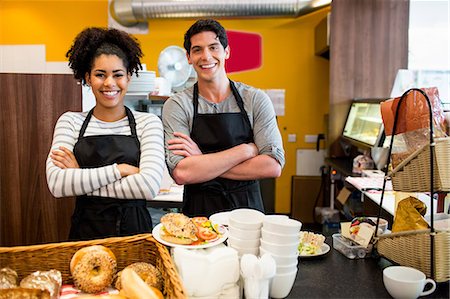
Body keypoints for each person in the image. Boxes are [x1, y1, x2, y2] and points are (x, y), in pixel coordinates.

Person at [46, 27, 165, 240]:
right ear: (88, 78)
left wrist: (80, 178)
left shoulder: (148, 123)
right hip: (85, 235)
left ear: (129, 77)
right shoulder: (70, 122)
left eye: (118, 74)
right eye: (100, 74)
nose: (109, 83)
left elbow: (148, 186)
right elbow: (57, 184)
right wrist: (120, 170)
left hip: (135, 235)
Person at [162, 19, 285, 217]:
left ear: (226, 51)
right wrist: (245, 150)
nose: (206, 56)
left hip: (247, 213)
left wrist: (201, 161)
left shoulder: (255, 99)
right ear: (188, 57)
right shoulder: (177, 105)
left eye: (213, 47)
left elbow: (272, 166)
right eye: (197, 50)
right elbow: (182, 173)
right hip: (199, 212)